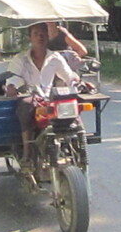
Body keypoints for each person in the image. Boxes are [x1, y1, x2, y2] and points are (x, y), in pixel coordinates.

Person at [5, 22, 81, 170]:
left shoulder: (55, 57)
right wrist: (12, 86)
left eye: (43, 33)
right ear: (30, 38)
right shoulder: (20, 59)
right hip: (29, 96)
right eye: (36, 34)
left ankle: (78, 148)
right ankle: (27, 152)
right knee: (26, 105)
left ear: (48, 36)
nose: (40, 37)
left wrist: (76, 81)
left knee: (73, 110)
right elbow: (12, 78)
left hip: (48, 99)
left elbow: (69, 76)